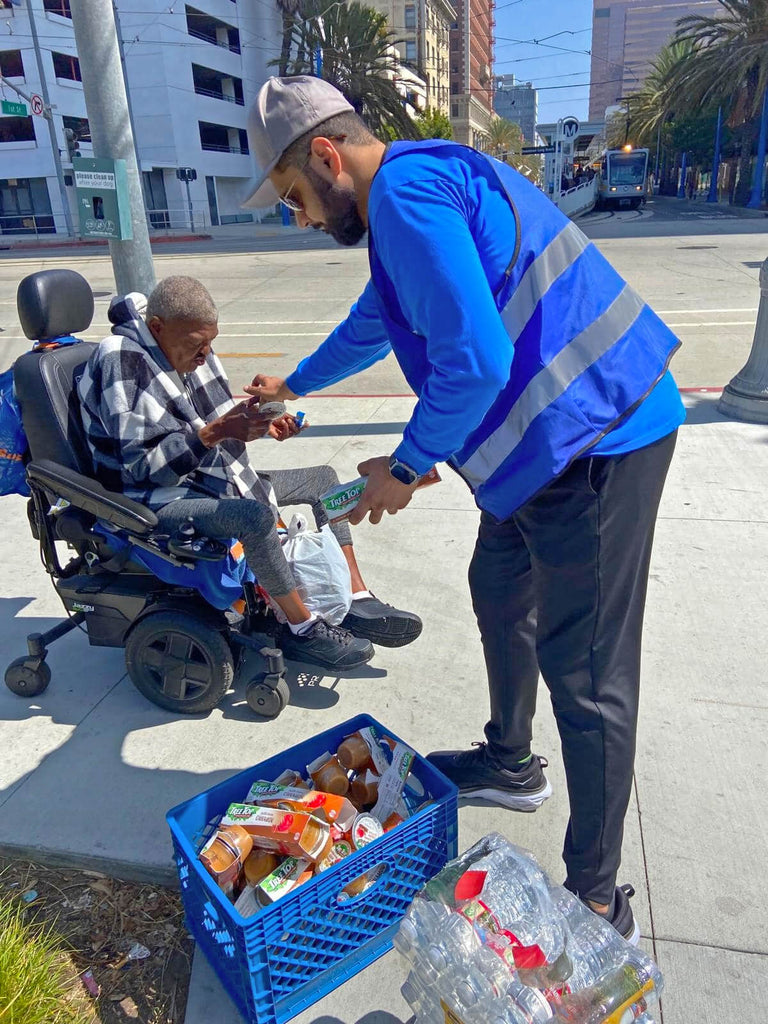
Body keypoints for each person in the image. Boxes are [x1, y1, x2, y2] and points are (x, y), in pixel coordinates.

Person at [241, 76, 686, 942]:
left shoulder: (404, 196)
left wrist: (405, 465)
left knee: (587, 678)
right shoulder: (412, 197)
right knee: (498, 589)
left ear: (328, 156)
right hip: (545, 454)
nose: (298, 216)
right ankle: (511, 761)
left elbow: (476, 361)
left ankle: (599, 900)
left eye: (295, 194)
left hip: (600, 443)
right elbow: (377, 321)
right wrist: (296, 382)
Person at [77, 276, 421, 672]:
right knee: (252, 517)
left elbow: (214, 426)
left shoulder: (188, 352)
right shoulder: (121, 360)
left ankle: (356, 598)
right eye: (196, 344)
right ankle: (302, 627)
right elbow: (142, 468)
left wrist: (261, 423)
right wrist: (219, 432)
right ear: (157, 327)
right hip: (153, 500)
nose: (206, 353)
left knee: (322, 478)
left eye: (211, 342)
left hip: (207, 476)